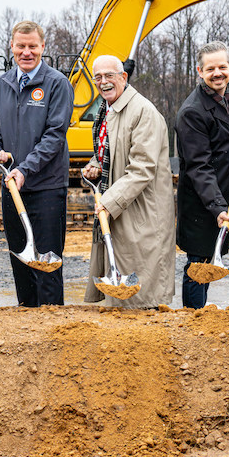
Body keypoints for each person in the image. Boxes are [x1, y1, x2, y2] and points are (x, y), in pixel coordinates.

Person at [0, 20, 73, 307]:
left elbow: (55, 135)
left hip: (46, 187)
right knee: (21, 260)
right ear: (12, 47)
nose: (27, 52)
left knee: (47, 263)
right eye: (21, 46)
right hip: (12, 187)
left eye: (32, 46)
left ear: (42, 47)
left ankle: (51, 326)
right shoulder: (2, 84)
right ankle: (26, 322)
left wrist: (25, 169)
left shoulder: (57, 84)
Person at [81, 55, 175, 308]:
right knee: (123, 300)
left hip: (143, 213)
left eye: (109, 75)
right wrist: (95, 164)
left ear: (123, 77)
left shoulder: (143, 112)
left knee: (144, 296)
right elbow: (113, 150)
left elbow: (142, 168)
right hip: (123, 208)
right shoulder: (108, 110)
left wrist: (108, 201)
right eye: (98, 77)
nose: (103, 82)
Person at [175, 41, 229, 308]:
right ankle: (193, 318)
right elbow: (199, 166)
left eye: (222, 66)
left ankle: (200, 319)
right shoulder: (192, 112)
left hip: (222, 191)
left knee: (211, 258)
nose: (217, 73)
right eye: (210, 69)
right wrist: (219, 207)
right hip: (201, 200)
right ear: (200, 71)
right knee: (198, 264)